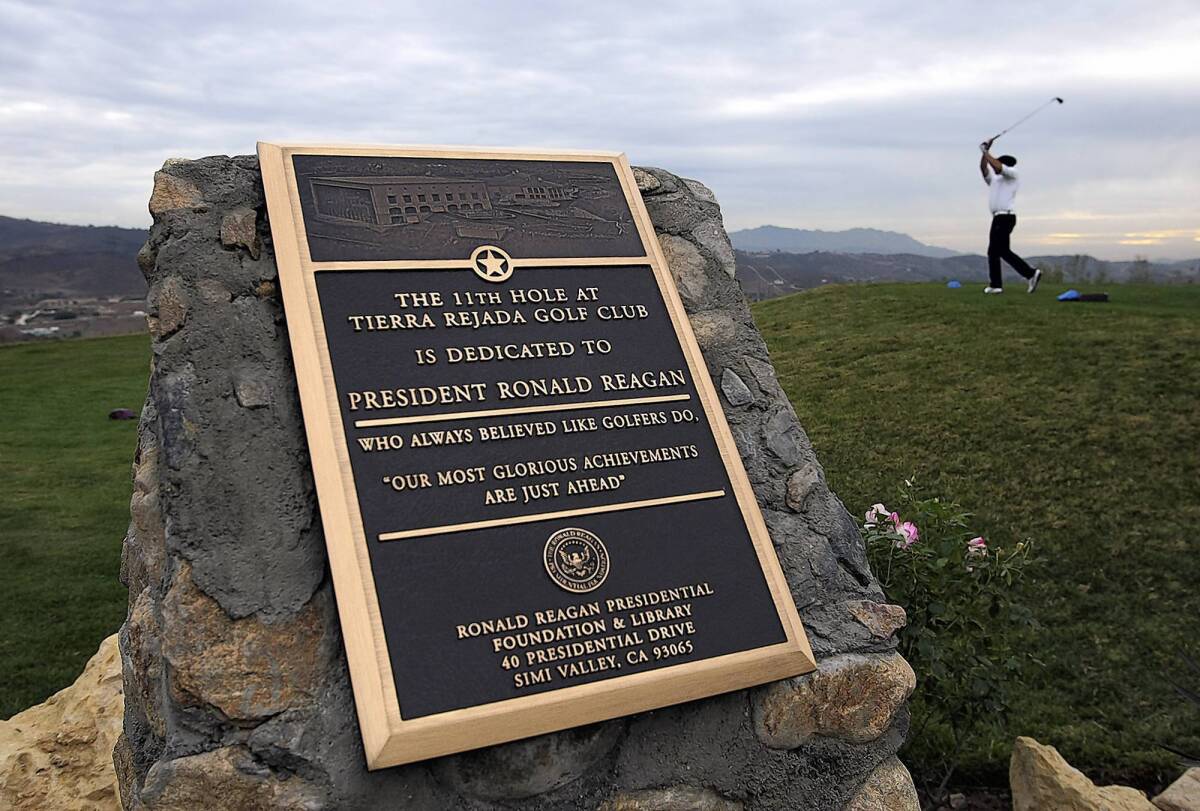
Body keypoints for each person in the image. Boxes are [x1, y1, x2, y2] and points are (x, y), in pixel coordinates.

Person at [979, 140, 1042, 294]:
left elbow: (997, 166)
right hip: (998, 218)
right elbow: (983, 169)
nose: (994, 165)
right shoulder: (995, 180)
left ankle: (1021, 276)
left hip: (1005, 217)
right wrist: (985, 152)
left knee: (995, 251)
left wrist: (986, 153)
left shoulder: (1012, 174)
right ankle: (1025, 275)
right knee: (1000, 251)